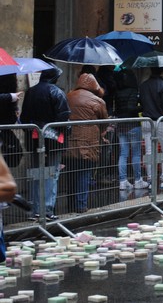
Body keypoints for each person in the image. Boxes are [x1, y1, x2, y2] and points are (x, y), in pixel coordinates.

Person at [21, 63, 71, 221]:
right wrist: (65, 135)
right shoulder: (56, 92)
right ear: (55, 77)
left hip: (34, 139)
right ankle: (47, 210)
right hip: (54, 139)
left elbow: (24, 118)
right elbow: (63, 118)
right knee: (51, 174)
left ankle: (36, 210)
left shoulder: (30, 91)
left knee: (37, 174)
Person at [65, 73, 109, 213]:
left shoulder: (68, 96)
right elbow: (104, 122)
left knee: (71, 173)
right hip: (88, 143)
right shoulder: (98, 101)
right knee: (84, 173)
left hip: (70, 141)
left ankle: (70, 205)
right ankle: (81, 205)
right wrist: (100, 133)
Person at [139, 66, 163, 190]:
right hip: (161, 122)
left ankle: (150, 179)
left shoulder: (143, 85)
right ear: (162, 71)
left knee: (149, 151)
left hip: (146, 121)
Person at [113, 69, 148, 190]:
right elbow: (131, 108)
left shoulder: (117, 92)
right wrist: (142, 107)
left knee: (123, 154)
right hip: (133, 125)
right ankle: (138, 180)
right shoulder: (133, 91)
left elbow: (117, 109)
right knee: (136, 154)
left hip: (121, 125)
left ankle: (123, 181)